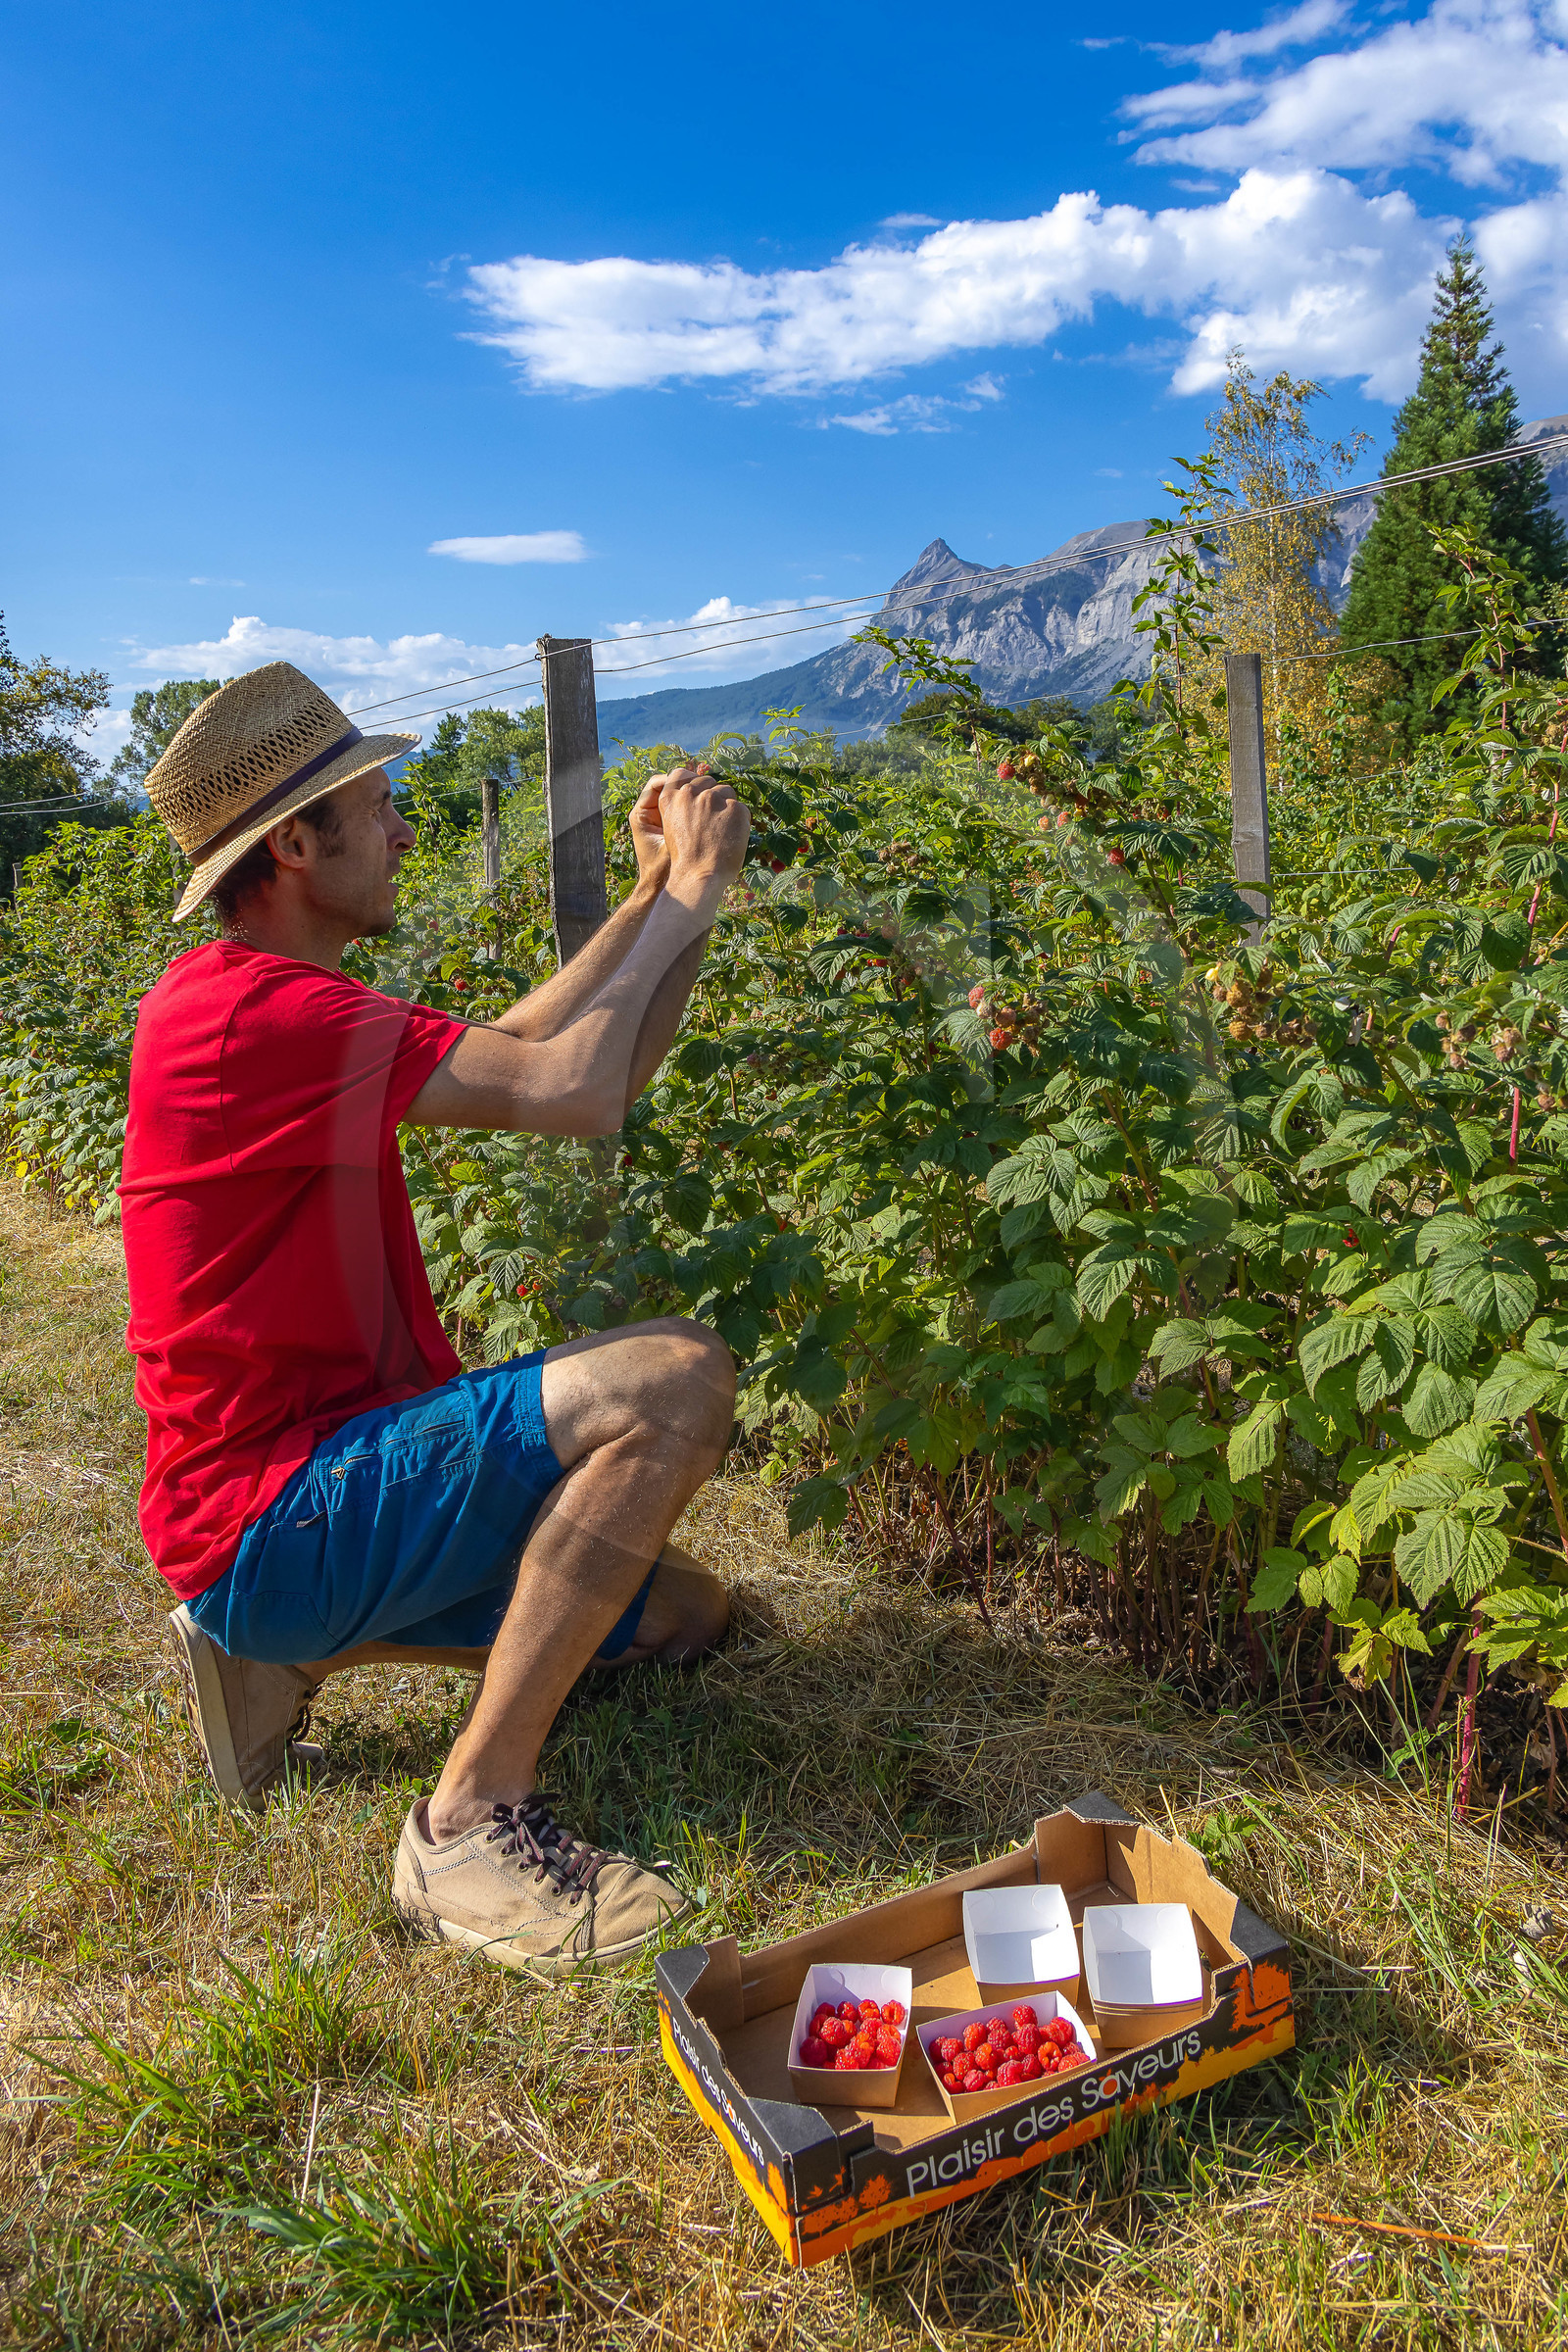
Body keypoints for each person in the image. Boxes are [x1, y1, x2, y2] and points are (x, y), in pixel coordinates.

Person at [123, 660, 750, 1974]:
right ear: (297, 844)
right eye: (384, 808)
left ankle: (269, 1647)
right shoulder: (257, 1014)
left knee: (689, 1615)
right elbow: (574, 1092)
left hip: (303, 1484)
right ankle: (467, 1823)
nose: (408, 833)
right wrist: (693, 894)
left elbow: (561, 1058)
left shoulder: (260, 999)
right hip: (274, 1504)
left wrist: (652, 903)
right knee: (676, 1381)